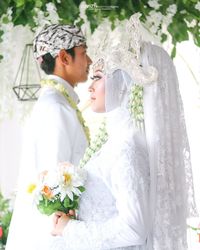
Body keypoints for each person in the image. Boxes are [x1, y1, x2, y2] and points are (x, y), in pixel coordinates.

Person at [48, 16, 197, 250]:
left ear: (125, 84)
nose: (91, 86)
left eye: (98, 78)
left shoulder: (126, 148)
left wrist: (70, 228)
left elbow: (134, 229)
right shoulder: (116, 140)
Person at [6, 24, 92, 250]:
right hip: (53, 235)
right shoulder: (56, 107)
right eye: (84, 53)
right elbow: (55, 184)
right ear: (64, 57)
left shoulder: (58, 103)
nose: (90, 61)